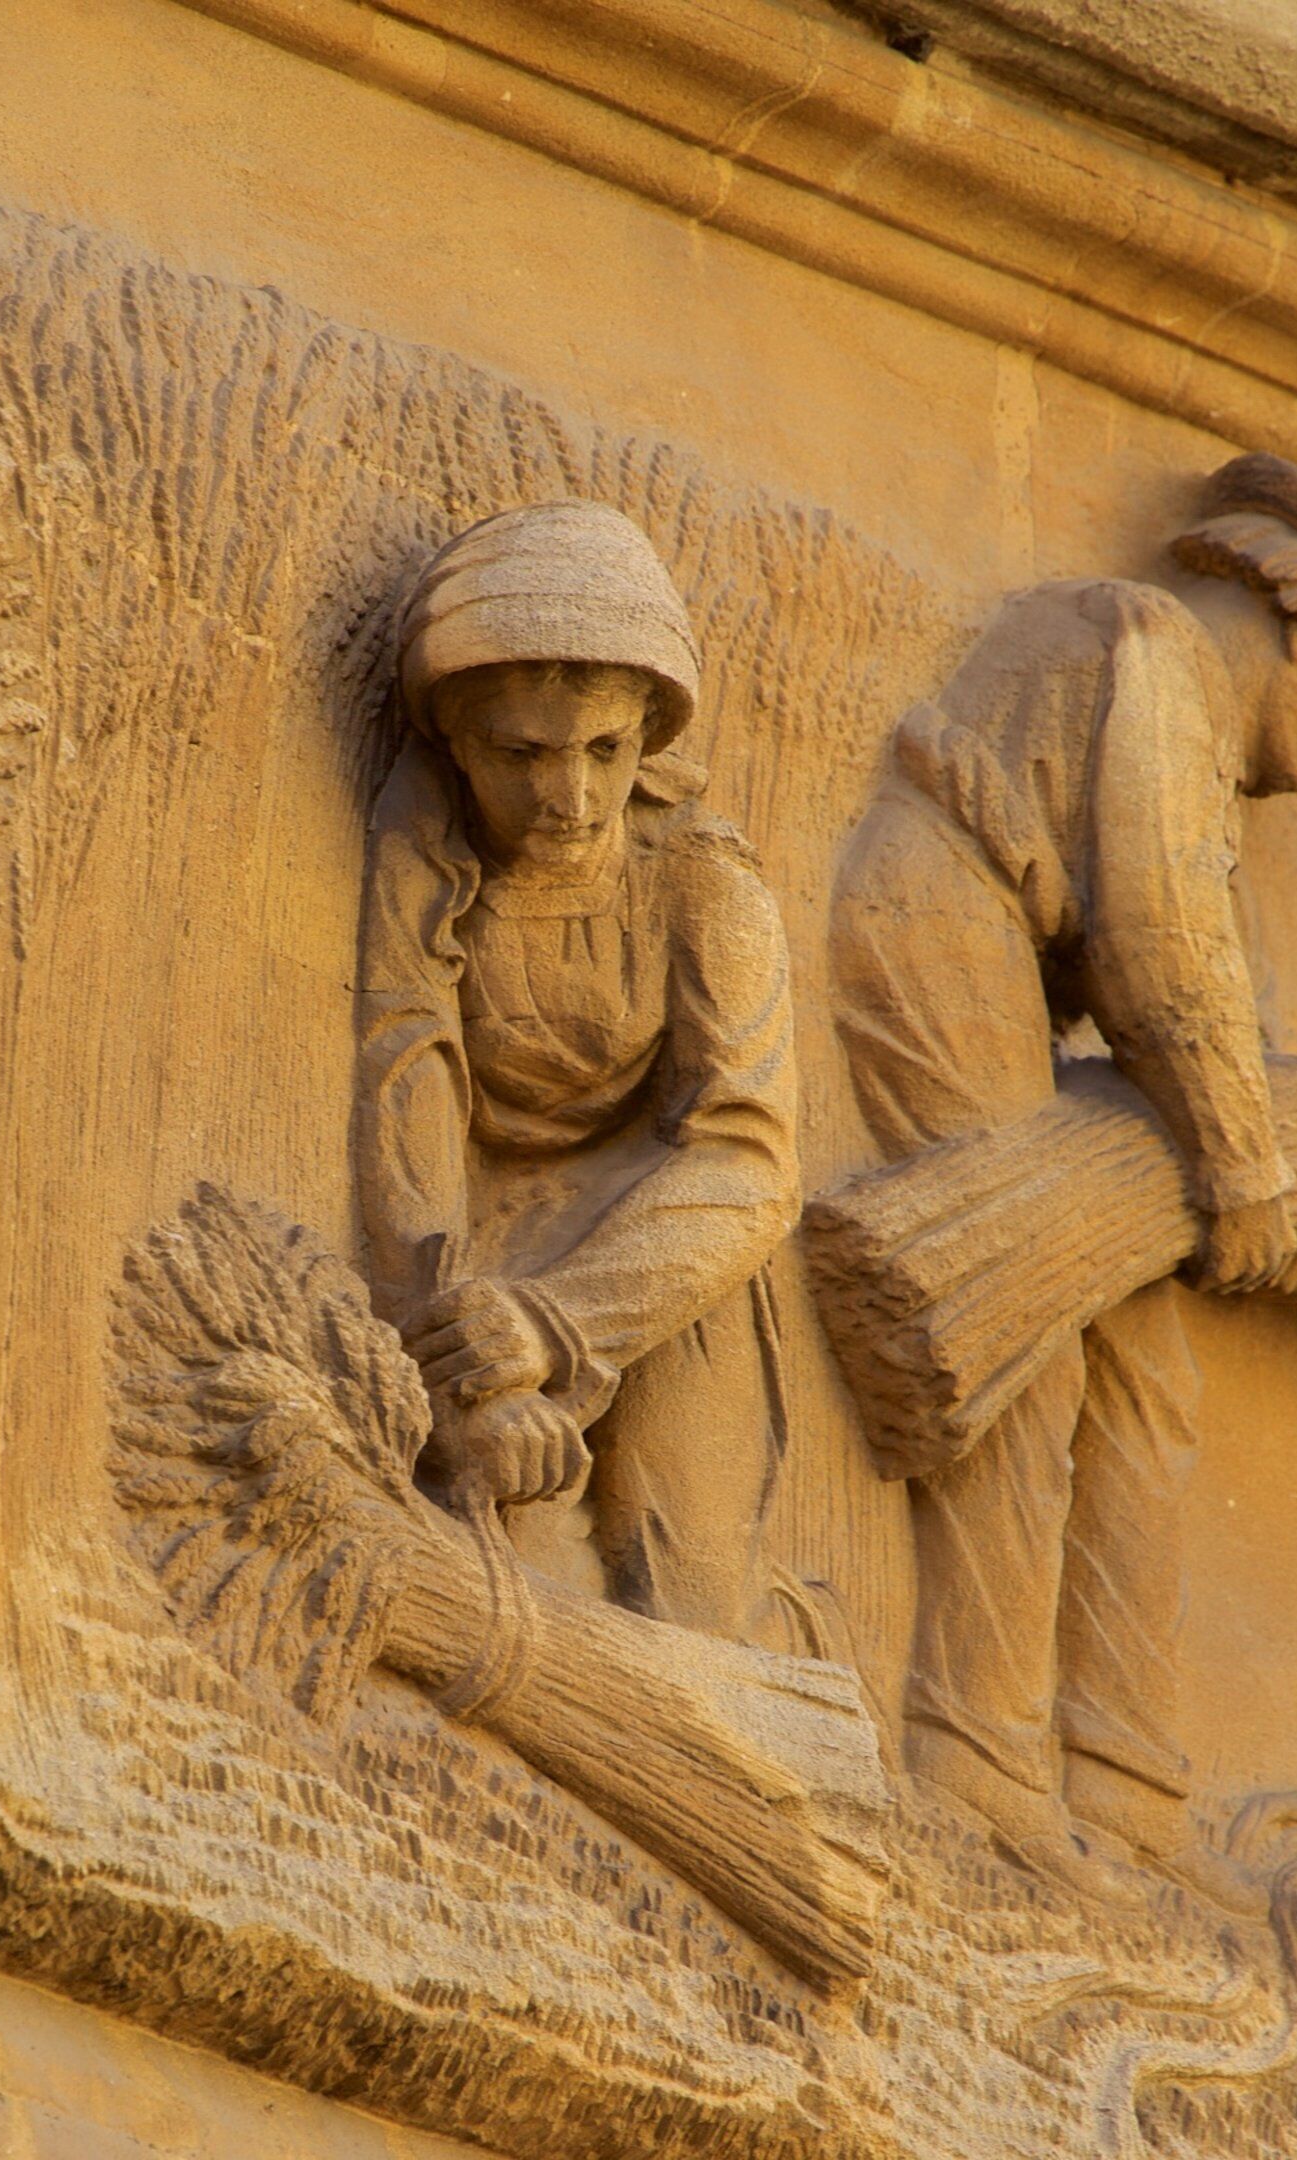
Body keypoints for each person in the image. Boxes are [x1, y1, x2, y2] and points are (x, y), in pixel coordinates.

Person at [823, 453, 1297, 1898]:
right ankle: (977, 1758)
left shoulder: (1166, 692)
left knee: (1147, 1371)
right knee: (1032, 1355)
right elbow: (1162, 952)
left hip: (999, 971)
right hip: (940, 931)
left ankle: (1122, 1786)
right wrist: (1241, 1170)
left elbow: (1203, 969)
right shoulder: (1150, 652)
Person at [352, 502, 800, 1637]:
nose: (569, 797)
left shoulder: (705, 887)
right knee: (505, 1563)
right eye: (522, 753)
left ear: (648, 738)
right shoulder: (423, 839)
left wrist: (556, 1324)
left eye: (604, 750)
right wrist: (448, 1353)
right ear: (457, 742)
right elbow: (408, 1073)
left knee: (693, 1584)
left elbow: (748, 1159)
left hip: (662, 1251)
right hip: (479, 1247)